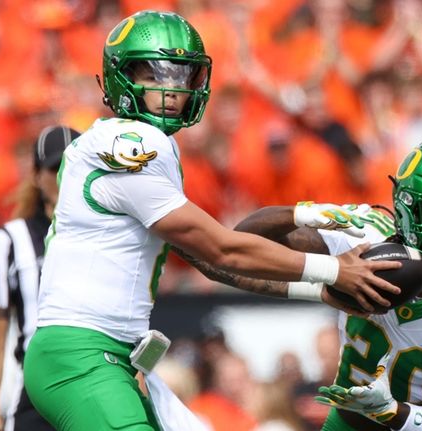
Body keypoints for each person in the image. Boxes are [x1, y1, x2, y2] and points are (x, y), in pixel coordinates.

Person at [22, 10, 401, 431]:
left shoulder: (151, 146)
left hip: (117, 353)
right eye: (155, 73)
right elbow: (221, 247)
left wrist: (320, 291)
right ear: (120, 77)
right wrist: (333, 269)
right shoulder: (127, 145)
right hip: (81, 354)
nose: (171, 89)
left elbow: (210, 261)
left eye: (180, 76)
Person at [183, 139, 422, 431]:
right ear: (411, 212)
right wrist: (298, 214)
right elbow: (237, 246)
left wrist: (393, 412)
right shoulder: (364, 235)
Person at [0, 125, 80, 431]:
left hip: (89, 378)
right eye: (54, 168)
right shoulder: (12, 238)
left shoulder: (107, 236)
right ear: (37, 175)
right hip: (36, 385)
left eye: (72, 167)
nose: (63, 176)